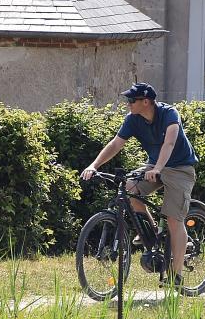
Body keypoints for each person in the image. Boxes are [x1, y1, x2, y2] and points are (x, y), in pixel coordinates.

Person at [81, 82, 198, 285]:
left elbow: (169, 143)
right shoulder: (133, 119)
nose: (128, 104)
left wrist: (158, 169)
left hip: (180, 168)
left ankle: (176, 275)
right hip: (154, 166)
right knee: (128, 189)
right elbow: (116, 143)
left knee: (173, 219)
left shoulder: (169, 114)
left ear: (146, 101)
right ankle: (151, 234)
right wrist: (94, 165)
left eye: (131, 100)